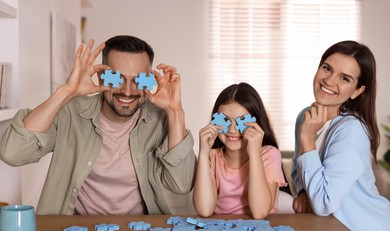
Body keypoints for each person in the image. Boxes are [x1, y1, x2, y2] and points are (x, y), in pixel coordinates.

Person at [0, 35, 196, 215]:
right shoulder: (70, 112)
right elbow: (12, 153)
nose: (127, 91)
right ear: (102, 76)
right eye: (117, 78)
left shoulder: (160, 120)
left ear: (149, 81)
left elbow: (181, 185)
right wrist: (67, 91)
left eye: (138, 80)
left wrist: (175, 112)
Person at [291, 40, 390, 231]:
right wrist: (302, 192)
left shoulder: (352, 131)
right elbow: (297, 169)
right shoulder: (305, 117)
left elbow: (325, 202)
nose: (329, 80)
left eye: (345, 78)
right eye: (327, 68)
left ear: (357, 91)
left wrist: (308, 138)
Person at [193, 83, 287, 219]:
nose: (232, 130)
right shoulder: (211, 157)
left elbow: (260, 212)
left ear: (256, 123)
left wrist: (254, 153)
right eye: (225, 121)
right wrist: (203, 153)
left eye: (241, 122)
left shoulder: (269, 154)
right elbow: (205, 210)